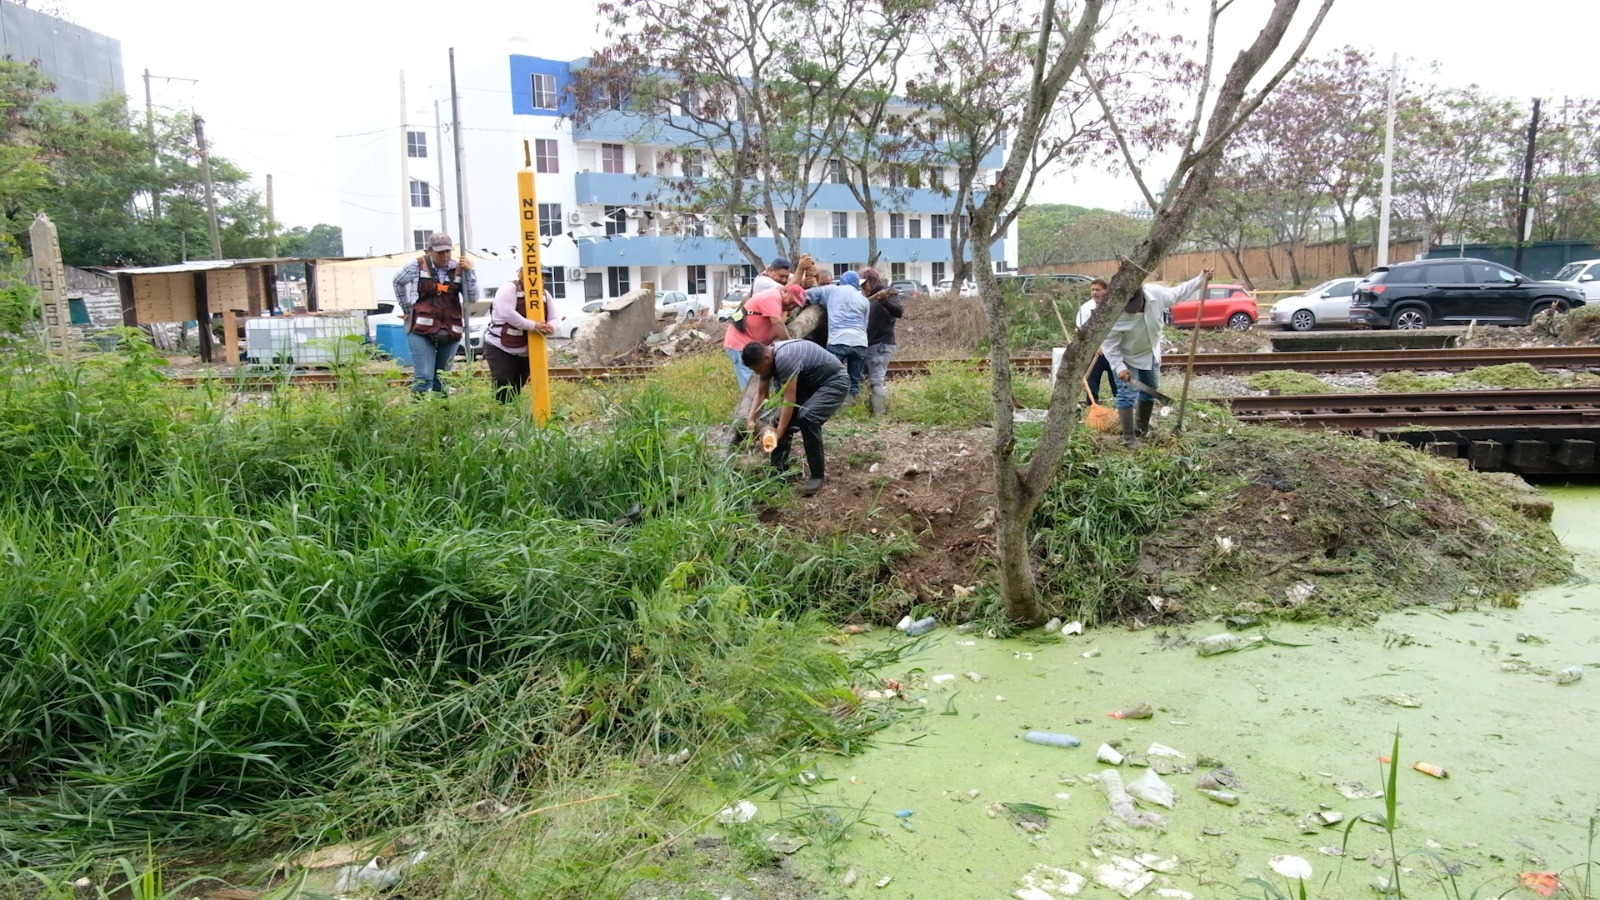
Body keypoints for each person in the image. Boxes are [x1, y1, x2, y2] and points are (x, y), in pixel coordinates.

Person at [1100, 268, 1212, 446]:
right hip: (1127, 356)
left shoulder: (1156, 294)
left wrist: (1200, 279)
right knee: (1126, 394)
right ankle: (1129, 437)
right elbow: (1109, 344)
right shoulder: (1114, 315)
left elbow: (1178, 293)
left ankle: (1142, 427)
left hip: (1150, 351)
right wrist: (1119, 367)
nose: (1134, 311)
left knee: (1150, 389)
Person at [743, 339, 850, 497]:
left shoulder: (785, 358)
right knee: (779, 421)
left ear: (767, 357)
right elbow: (762, 394)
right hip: (810, 385)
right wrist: (751, 420)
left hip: (834, 381)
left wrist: (778, 433)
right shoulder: (766, 362)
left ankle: (817, 477)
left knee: (808, 417)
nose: (758, 373)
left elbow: (789, 400)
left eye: (758, 369)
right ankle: (777, 475)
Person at [393, 233, 477, 396]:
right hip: (420, 330)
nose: (445, 256)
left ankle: (441, 416)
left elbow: (472, 298)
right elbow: (397, 281)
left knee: (443, 378)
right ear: (429, 250)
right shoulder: (415, 265)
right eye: (440, 252)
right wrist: (406, 308)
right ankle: (418, 416)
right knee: (424, 377)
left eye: (448, 251)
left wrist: (470, 273)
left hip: (451, 330)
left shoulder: (461, 269)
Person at [484, 270, 557, 404]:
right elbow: (507, 313)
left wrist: (551, 327)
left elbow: (553, 317)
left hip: (526, 351)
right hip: (500, 347)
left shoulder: (545, 294)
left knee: (516, 386)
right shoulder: (509, 288)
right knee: (503, 381)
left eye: (544, 277)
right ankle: (499, 412)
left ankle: (510, 414)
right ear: (523, 275)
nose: (542, 280)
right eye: (539, 276)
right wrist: (533, 325)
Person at [723, 282, 806, 390]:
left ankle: (766, 406)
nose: (791, 306)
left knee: (764, 384)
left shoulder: (782, 307)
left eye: (795, 305)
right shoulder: (772, 297)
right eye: (792, 301)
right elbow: (776, 323)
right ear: (785, 292)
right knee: (751, 386)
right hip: (740, 345)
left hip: (756, 347)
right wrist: (790, 344)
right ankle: (751, 407)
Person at [805, 271, 870, 398]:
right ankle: (850, 403)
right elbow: (865, 324)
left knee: (829, 376)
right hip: (860, 343)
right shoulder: (864, 300)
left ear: (842, 281)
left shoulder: (832, 290)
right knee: (854, 380)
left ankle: (828, 402)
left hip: (838, 341)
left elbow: (807, 295)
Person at [860, 266, 903, 416]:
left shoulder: (887, 292)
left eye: (863, 284)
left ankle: (880, 414)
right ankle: (869, 410)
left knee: (876, 380)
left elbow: (899, 312)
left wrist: (884, 301)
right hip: (869, 345)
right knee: (863, 378)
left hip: (881, 344)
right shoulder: (867, 296)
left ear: (870, 281)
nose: (862, 287)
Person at [1077, 278, 1114, 403]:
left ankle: (1120, 402)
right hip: (1094, 351)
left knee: (1115, 377)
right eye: (1092, 290)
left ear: (1106, 290)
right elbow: (1081, 331)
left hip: (1112, 350)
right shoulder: (1086, 308)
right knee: (1092, 378)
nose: (1094, 293)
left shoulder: (1114, 306)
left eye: (1098, 290)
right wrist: (1094, 346)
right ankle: (1092, 402)